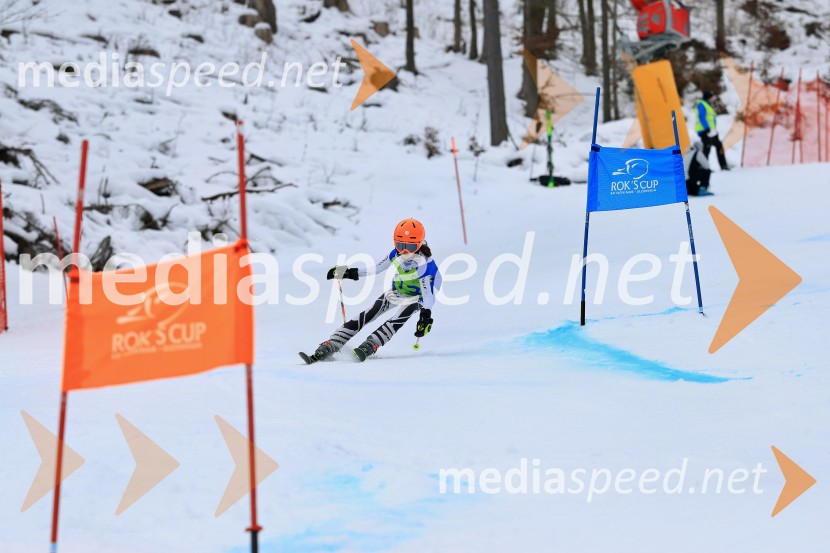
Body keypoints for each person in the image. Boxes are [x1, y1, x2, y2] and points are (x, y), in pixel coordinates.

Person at [302, 218, 442, 363]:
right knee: (371, 312)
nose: (405, 251)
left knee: (398, 318)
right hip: (399, 289)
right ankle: (333, 342)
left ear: (419, 244)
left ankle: (372, 343)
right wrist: (349, 272)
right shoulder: (395, 254)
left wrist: (426, 315)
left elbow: (428, 294)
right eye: (400, 245)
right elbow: (376, 268)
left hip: (419, 295)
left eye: (411, 247)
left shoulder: (425, 265)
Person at [695, 90, 730, 171]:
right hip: (705, 131)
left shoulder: (708, 105)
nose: (713, 98)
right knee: (707, 148)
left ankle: (723, 165)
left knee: (719, 146)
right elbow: (702, 117)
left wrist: (713, 130)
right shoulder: (702, 104)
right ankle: (703, 168)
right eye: (711, 97)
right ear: (708, 98)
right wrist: (706, 128)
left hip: (712, 131)